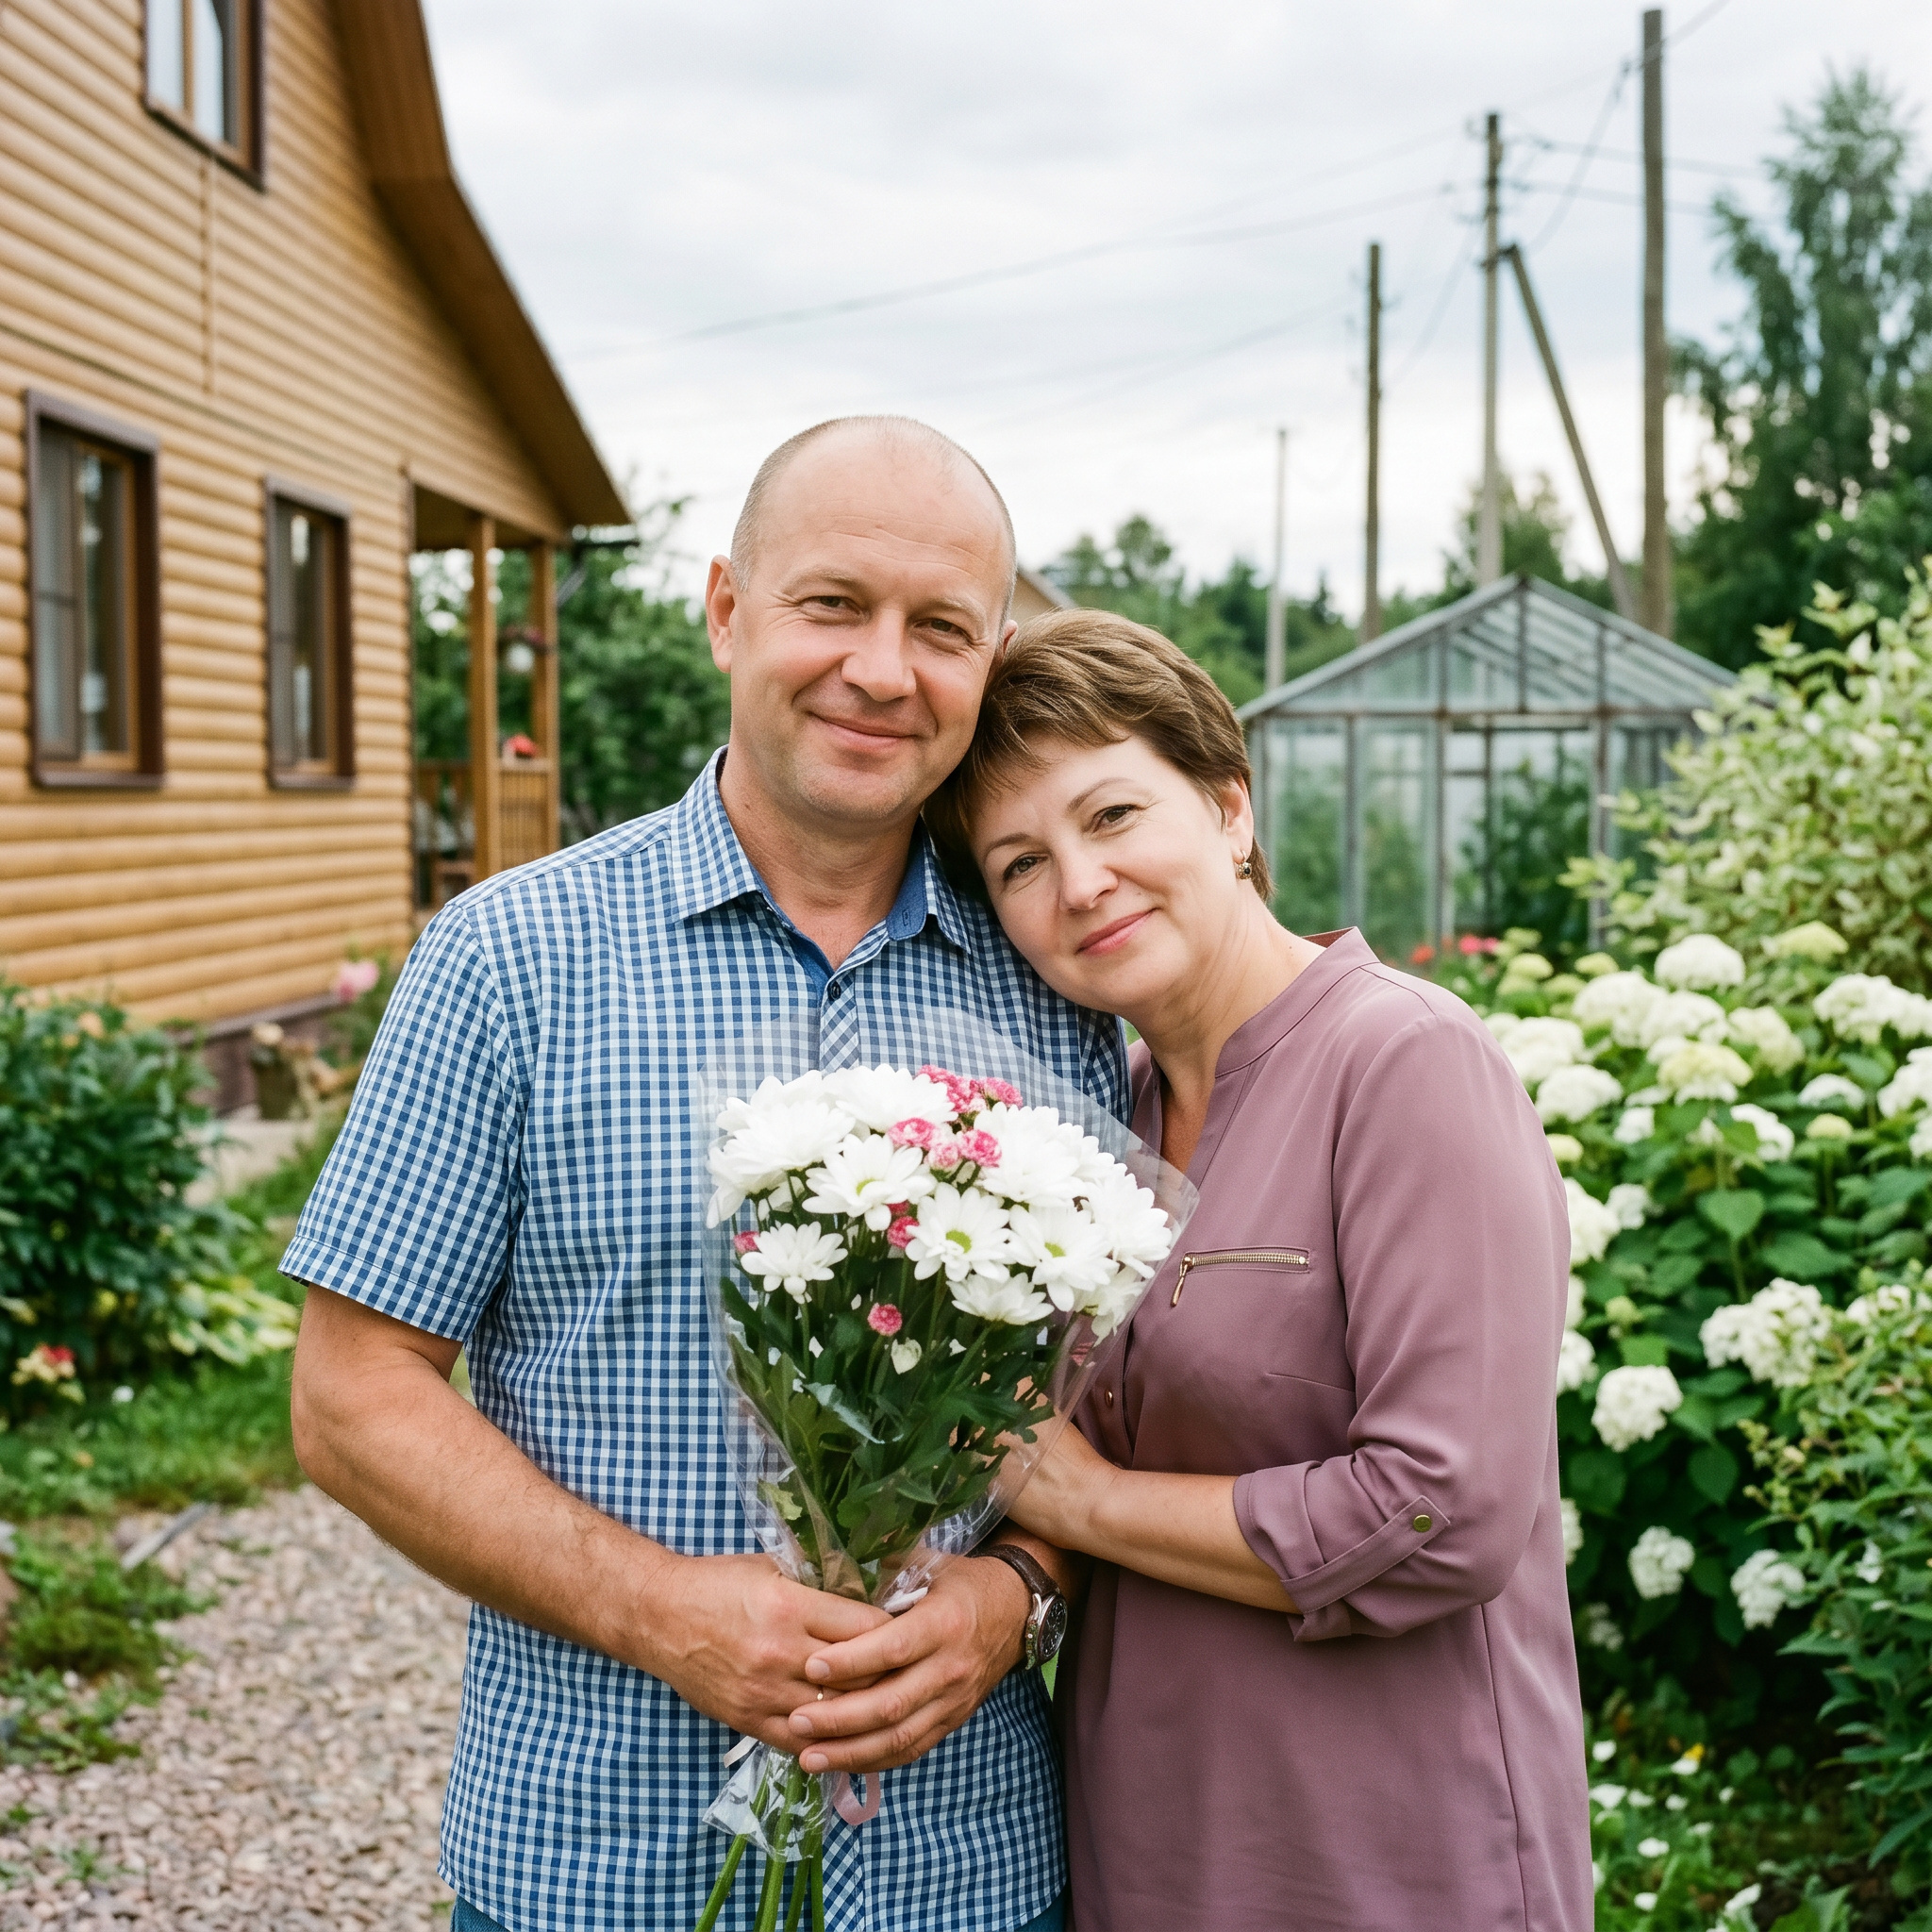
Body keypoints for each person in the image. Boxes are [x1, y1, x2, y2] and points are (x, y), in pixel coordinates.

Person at [284, 418, 1117, 1932]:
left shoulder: (1061, 979)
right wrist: (659, 1612)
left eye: (940, 629)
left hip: (967, 1867)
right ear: (727, 608)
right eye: (831, 604)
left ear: (991, 660)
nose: (882, 668)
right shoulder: (512, 960)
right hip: (594, 1862)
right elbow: (351, 1399)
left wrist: (1016, 1599)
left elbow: (1127, 1403)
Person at [909, 606, 1594, 1930]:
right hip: (1149, 1841)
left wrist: (1091, 1503)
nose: (1081, 883)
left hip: (1390, 1855)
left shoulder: (1403, 1065)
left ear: (1230, 807)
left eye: (1114, 816)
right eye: (1020, 863)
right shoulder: (1084, 1128)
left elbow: (1439, 1511)